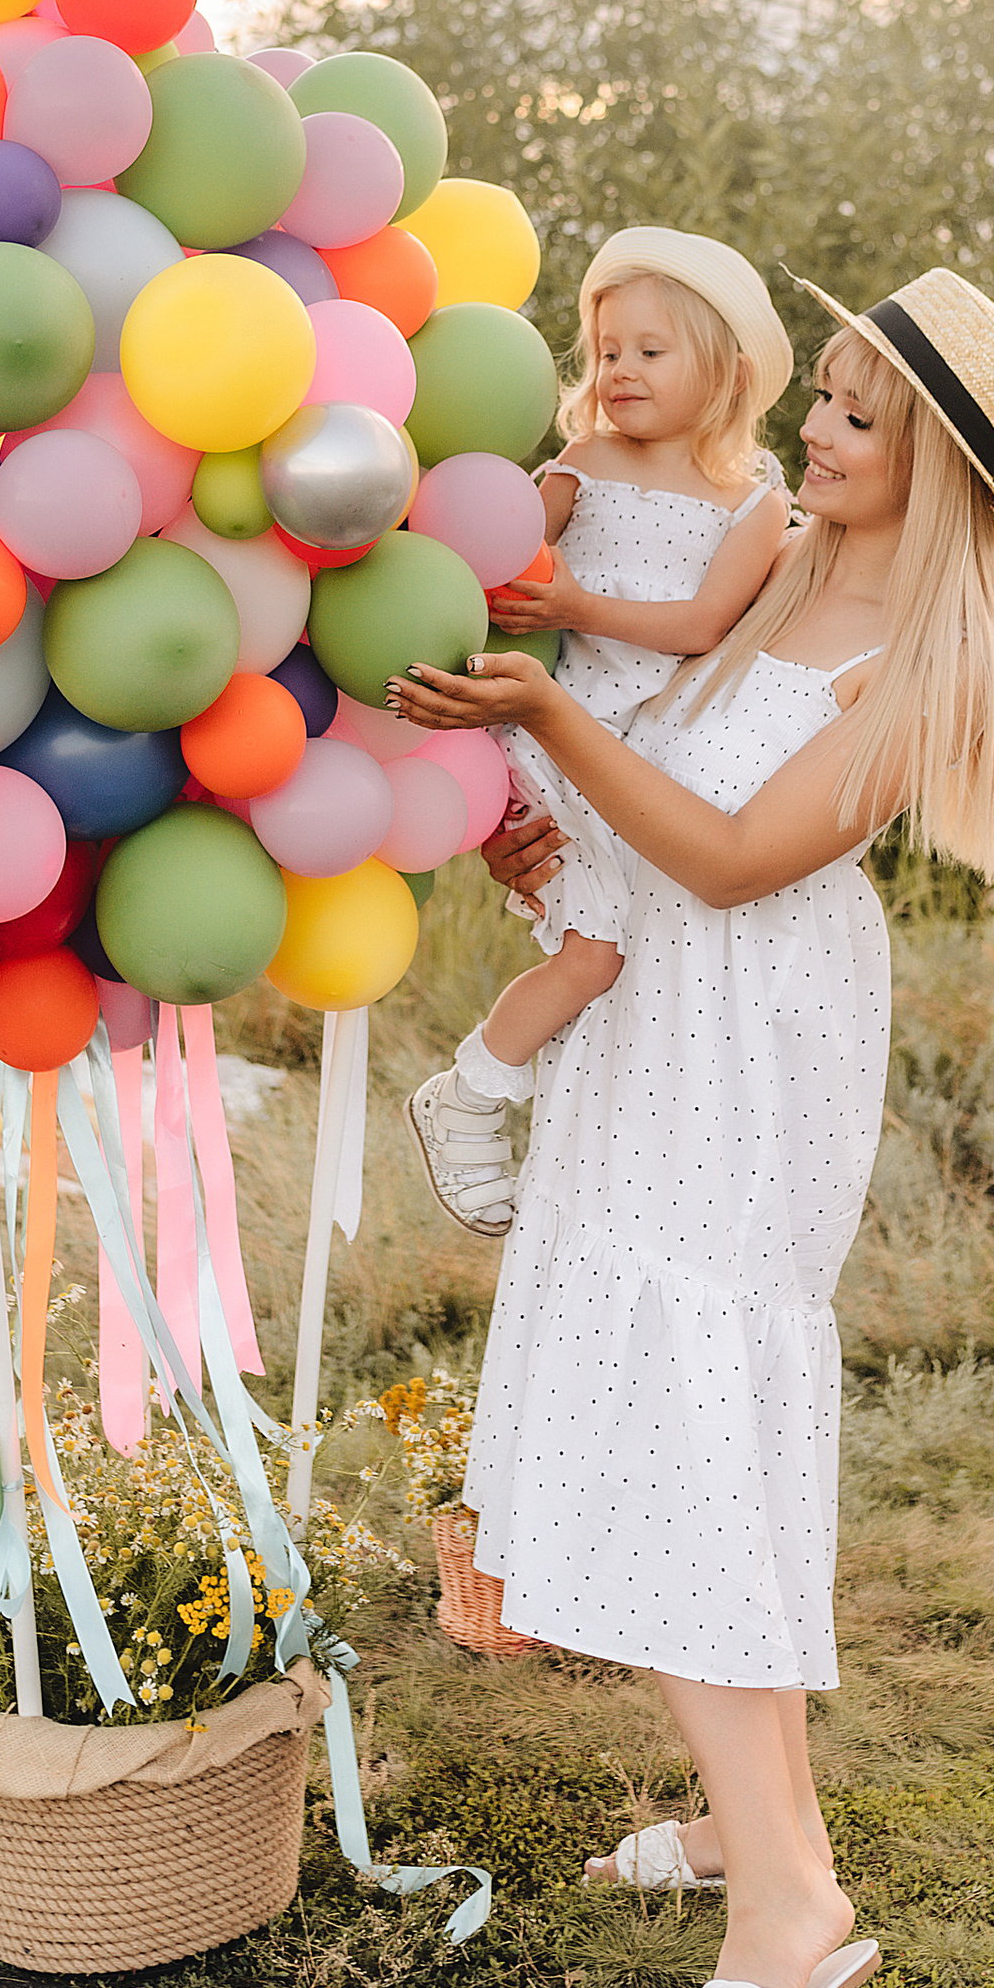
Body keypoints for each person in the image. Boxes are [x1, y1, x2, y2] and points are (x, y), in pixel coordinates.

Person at [391, 267, 994, 1988]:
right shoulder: (773, 575)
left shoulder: (923, 658)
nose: (816, 431)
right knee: (670, 1416)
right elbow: (653, 792)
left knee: (687, 1418)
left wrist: (552, 715)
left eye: (857, 415)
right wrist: (537, 821)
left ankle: (792, 1903)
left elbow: (745, 857)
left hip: (754, 1040)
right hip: (655, 1024)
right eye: (824, 396)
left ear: (936, 465)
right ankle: (748, 1823)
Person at [404, 229, 795, 1240]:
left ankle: (575, 1150)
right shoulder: (583, 462)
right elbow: (501, 551)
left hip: (651, 760)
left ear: (728, 371)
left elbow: (703, 624)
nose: (620, 370)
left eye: (650, 351)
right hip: (560, 738)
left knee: (637, 967)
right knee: (596, 954)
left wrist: (580, 602)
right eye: (608, 349)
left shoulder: (756, 499)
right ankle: (471, 1095)